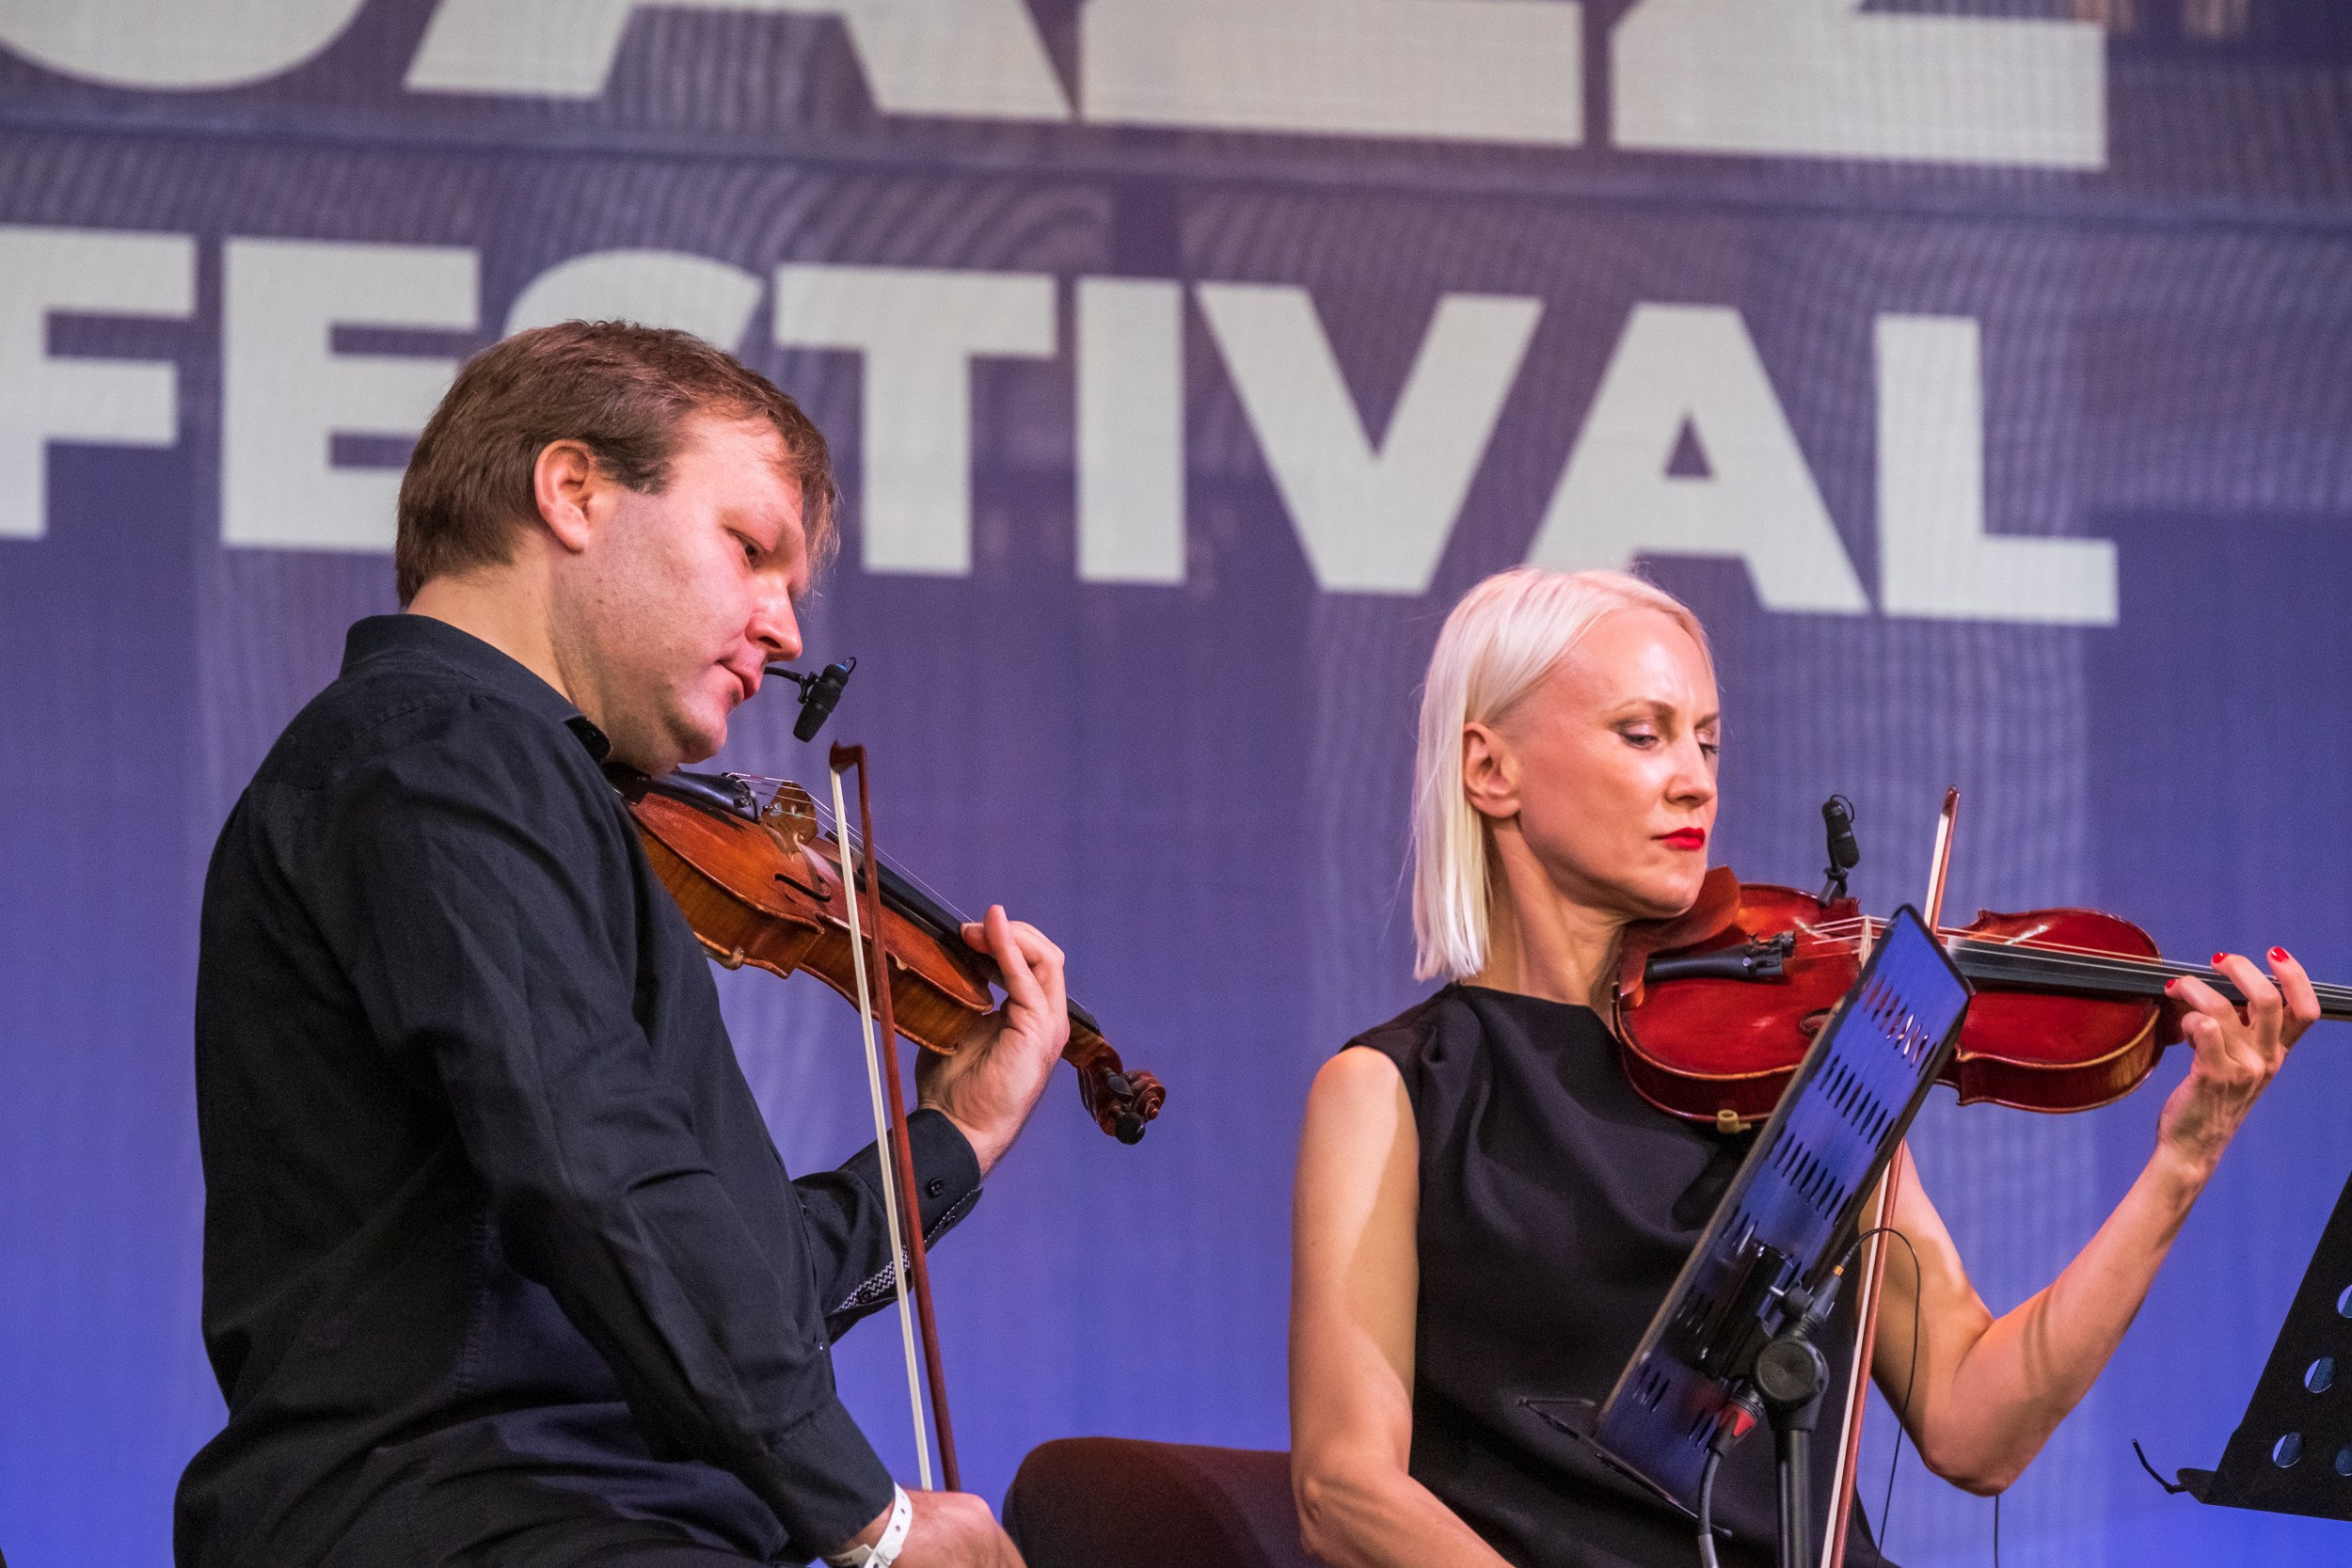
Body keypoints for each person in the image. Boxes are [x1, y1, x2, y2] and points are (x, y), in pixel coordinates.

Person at [178, 323, 1066, 1568]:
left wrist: (953, 1136)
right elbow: (597, 1173)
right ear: (573, 490)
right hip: (480, 1519)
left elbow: (723, 1276)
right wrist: (875, 1518)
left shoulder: (524, 780)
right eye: (750, 547)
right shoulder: (439, 750)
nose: (786, 631)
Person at [1287, 566, 2317, 1568]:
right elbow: (1344, 1489)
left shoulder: (1796, 1068)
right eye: (1642, 734)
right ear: (1490, 769)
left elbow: (1976, 1425)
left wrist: (2185, 1157)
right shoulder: (1393, 1092)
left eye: (1706, 740)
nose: (1694, 778)